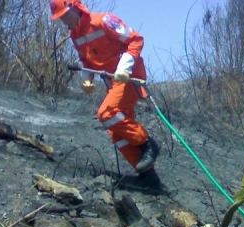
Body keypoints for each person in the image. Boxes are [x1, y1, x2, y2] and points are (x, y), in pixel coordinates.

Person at [50, 0, 161, 190]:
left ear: (77, 9)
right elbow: (85, 60)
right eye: (62, 19)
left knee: (107, 113)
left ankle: (147, 143)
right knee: (115, 129)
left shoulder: (104, 21)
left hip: (129, 77)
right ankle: (148, 177)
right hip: (113, 83)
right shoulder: (75, 36)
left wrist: (124, 68)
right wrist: (87, 79)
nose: (66, 22)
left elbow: (135, 40)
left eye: (67, 16)